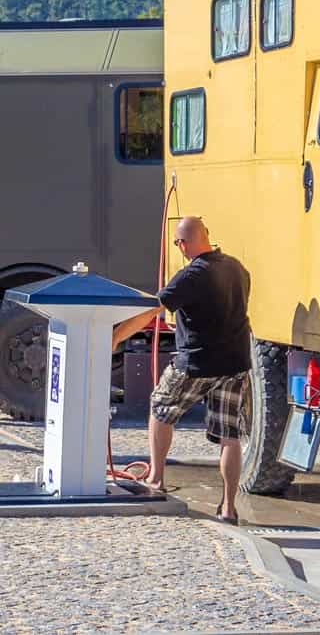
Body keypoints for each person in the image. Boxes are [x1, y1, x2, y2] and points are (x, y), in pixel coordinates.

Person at [112, 216, 253, 525]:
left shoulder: (189, 276)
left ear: (183, 244)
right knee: (230, 436)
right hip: (235, 363)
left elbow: (153, 309)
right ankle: (229, 508)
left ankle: (157, 478)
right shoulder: (236, 268)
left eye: (178, 243)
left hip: (197, 363)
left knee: (160, 407)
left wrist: (116, 337)